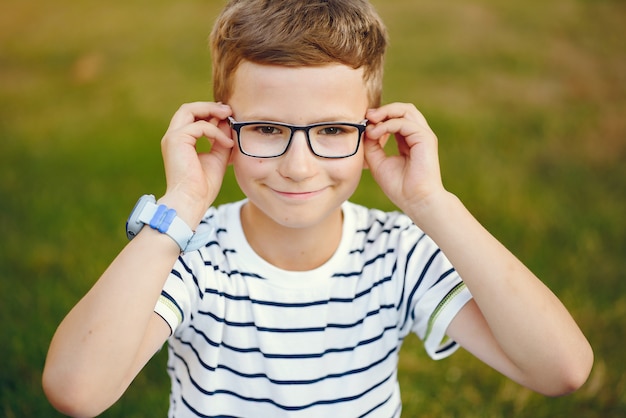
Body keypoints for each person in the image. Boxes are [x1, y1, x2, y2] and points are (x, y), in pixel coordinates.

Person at [42, 0, 593, 417]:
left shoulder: (398, 253)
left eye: (331, 130)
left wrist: (433, 204)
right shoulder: (191, 253)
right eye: (266, 128)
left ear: (373, 129)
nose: (299, 167)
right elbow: (77, 392)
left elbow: (561, 369)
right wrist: (180, 207)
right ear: (221, 129)